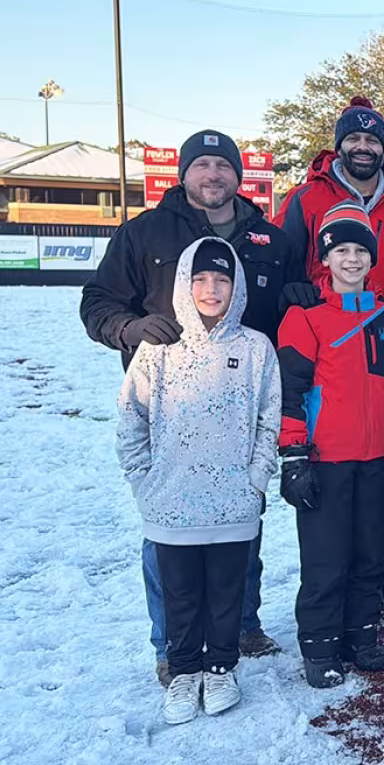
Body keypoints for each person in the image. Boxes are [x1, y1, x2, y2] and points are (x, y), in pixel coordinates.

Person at [82, 129, 298, 683]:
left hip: (238, 413)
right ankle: (171, 645)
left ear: (238, 175)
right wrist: (128, 328)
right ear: (183, 174)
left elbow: (291, 308)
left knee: (243, 526)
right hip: (171, 419)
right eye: (201, 165)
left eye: (222, 166)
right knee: (168, 541)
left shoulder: (267, 239)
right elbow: (97, 303)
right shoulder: (144, 233)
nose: (213, 176)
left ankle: (241, 625)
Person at [272, 95, 384, 617]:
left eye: (372, 139)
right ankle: (335, 589)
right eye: (354, 139)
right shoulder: (306, 198)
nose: (363, 147)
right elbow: (283, 256)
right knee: (340, 460)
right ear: (339, 145)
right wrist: (296, 294)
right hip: (328, 339)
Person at [116, 238, 282, 724]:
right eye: (202, 279)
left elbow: (268, 420)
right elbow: (131, 419)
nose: (212, 289)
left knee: (228, 589)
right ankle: (184, 670)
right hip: (171, 503)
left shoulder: (254, 348)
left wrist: (256, 479)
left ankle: (220, 667)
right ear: (185, 284)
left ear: (237, 286)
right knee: (180, 592)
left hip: (233, 502)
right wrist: (143, 482)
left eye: (222, 279)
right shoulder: (158, 349)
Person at [276, 203, 384, 688]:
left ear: (372, 259)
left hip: (379, 457)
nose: (351, 259)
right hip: (326, 460)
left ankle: (362, 636)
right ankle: (320, 646)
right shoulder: (304, 318)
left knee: (372, 553)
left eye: (360, 250)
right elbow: (290, 394)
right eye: (341, 250)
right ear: (326, 259)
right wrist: (293, 456)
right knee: (326, 558)